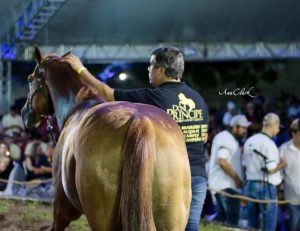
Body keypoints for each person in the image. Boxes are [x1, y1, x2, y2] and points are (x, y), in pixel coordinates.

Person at [62, 46, 209, 230]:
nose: (149, 69)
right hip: (196, 175)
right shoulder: (198, 99)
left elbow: (107, 94)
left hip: (164, 176)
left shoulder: (154, 98)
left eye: (151, 65)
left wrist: (80, 69)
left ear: (162, 70)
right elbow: (203, 137)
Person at [243, 113, 286, 231]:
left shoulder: (249, 141)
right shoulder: (270, 144)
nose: (277, 131)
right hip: (265, 186)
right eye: (277, 128)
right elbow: (270, 169)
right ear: (274, 125)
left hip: (250, 185)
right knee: (269, 225)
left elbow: (244, 166)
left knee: (252, 224)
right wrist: (282, 164)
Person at [208, 114, 249, 226]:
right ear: (234, 127)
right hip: (225, 186)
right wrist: (237, 180)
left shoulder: (229, 138)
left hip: (223, 185)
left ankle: (203, 226)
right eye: (243, 128)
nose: (245, 131)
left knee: (222, 218)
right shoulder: (226, 138)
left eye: (246, 128)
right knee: (232, 221)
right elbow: (222, 161)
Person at [279, 118, 300, 231]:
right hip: (292, 198)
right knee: (295, 227)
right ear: (294, 133)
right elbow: (279, 174)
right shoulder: (283, 149)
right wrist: (280, 192)